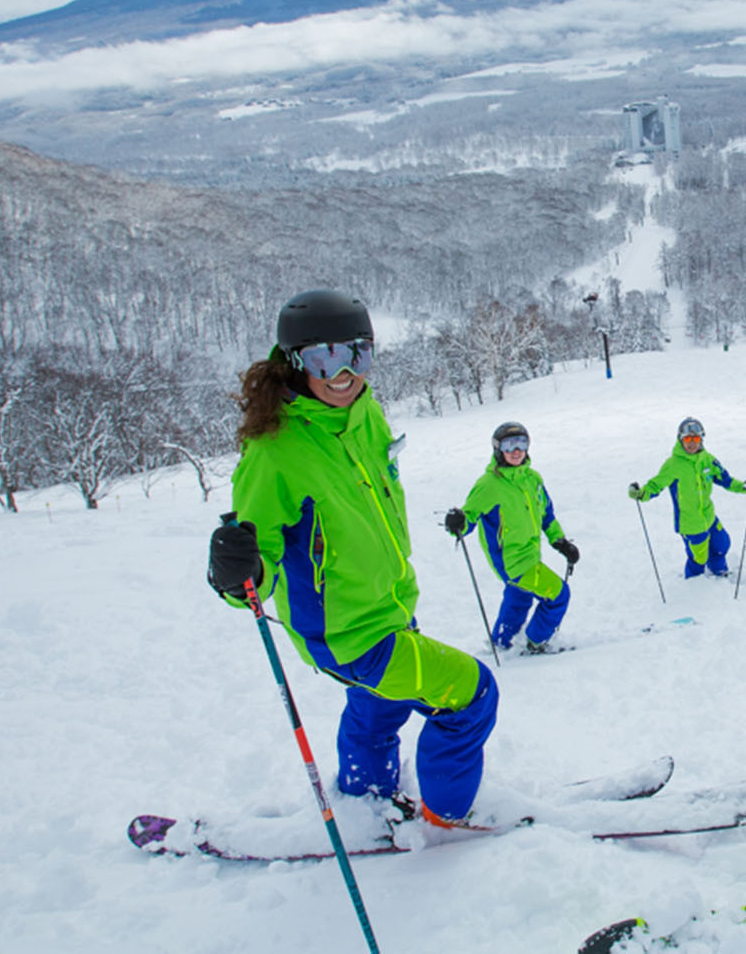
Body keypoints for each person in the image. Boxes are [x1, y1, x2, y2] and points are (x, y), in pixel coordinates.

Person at [205, 288, 498, 830]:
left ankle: (366, 798)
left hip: (388, 605)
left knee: (380, 708)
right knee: (472, 695)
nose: (342, 372)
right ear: (292, 362)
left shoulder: (366, 415)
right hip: (347, 633)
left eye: (356, 354)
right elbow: (257, 562)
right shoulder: (273, 453)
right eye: (322, 356)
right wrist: (235, 571)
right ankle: (445, 815)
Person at [444, 422, 580, 655]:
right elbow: (469, 517)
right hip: (511, 560)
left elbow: (546, 514)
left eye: (522, 443)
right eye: (509, 445)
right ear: (498, 449)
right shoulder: (489, 485)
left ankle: (502, 642)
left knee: (519, 598)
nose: (516, 450)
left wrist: (559, 541)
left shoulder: (533, 479)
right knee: (558, 595)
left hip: (530, 554)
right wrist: (458, 522)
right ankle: (536, 641)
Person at [628, 417, 746, 578]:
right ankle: (693, 585)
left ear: (701, 439)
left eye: (696, 438)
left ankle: (719, 571)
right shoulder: (673, 465)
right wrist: (641, 494)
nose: (692, 443)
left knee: (722, 544)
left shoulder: (708, 460)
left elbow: (726, 479)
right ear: (680, 439)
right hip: (690, 524)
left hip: (708, 516)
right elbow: (656, 485)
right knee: (699, 558)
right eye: (687, 439)